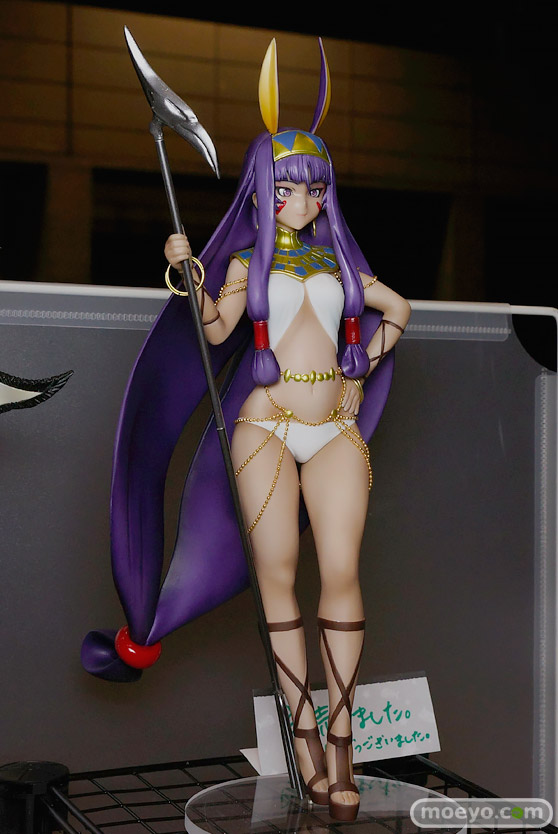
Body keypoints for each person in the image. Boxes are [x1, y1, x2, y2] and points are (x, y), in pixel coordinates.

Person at [82, 39, 410, 823]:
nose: (304, 200)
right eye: (289, 187)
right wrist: (190, 275)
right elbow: (216, 329)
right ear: (262, 190)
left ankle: (342, 749)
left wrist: (363, 361)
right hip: (264, 428)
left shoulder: (340, 263)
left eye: (316, 188)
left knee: (342, 574)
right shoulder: (247, 266)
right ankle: (304, 746)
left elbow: (398, 309)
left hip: (333, 427)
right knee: (279, 577)